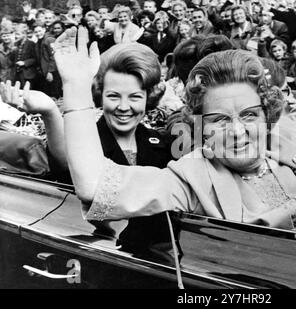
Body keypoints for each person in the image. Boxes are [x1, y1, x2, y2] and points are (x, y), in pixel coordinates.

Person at [52, 27, 296, 233]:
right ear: (200, 124)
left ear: (266, 113)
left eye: (250, 115)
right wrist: (76, 88)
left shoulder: (290, 135)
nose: (239, 132)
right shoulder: (192, 178)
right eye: (220, 120)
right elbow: (95, 186)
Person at [0, 42, 173, 252]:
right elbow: (66, 161)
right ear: (100, 94)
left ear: (149, 98)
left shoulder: (162, 143)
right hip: (99, 253)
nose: (124, 107)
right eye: (114, 96)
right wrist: (50, 111)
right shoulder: (84, 143)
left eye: (135, 97)